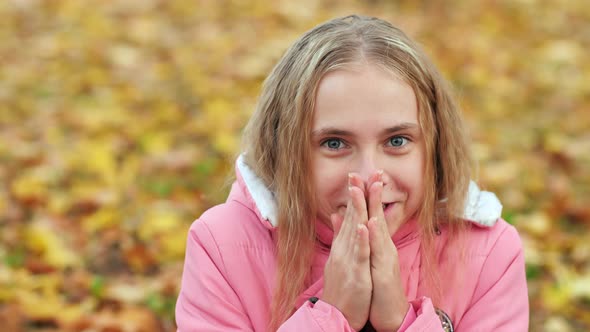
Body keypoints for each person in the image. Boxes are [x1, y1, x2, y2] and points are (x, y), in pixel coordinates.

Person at [175, 15, 529, 331]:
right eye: (334, 143)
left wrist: (401, 321)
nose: (369, 175)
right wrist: (330, 314)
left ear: (433, 148)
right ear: (286, 150)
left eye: (397, 140)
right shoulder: (221, 245)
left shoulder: (488, 253)